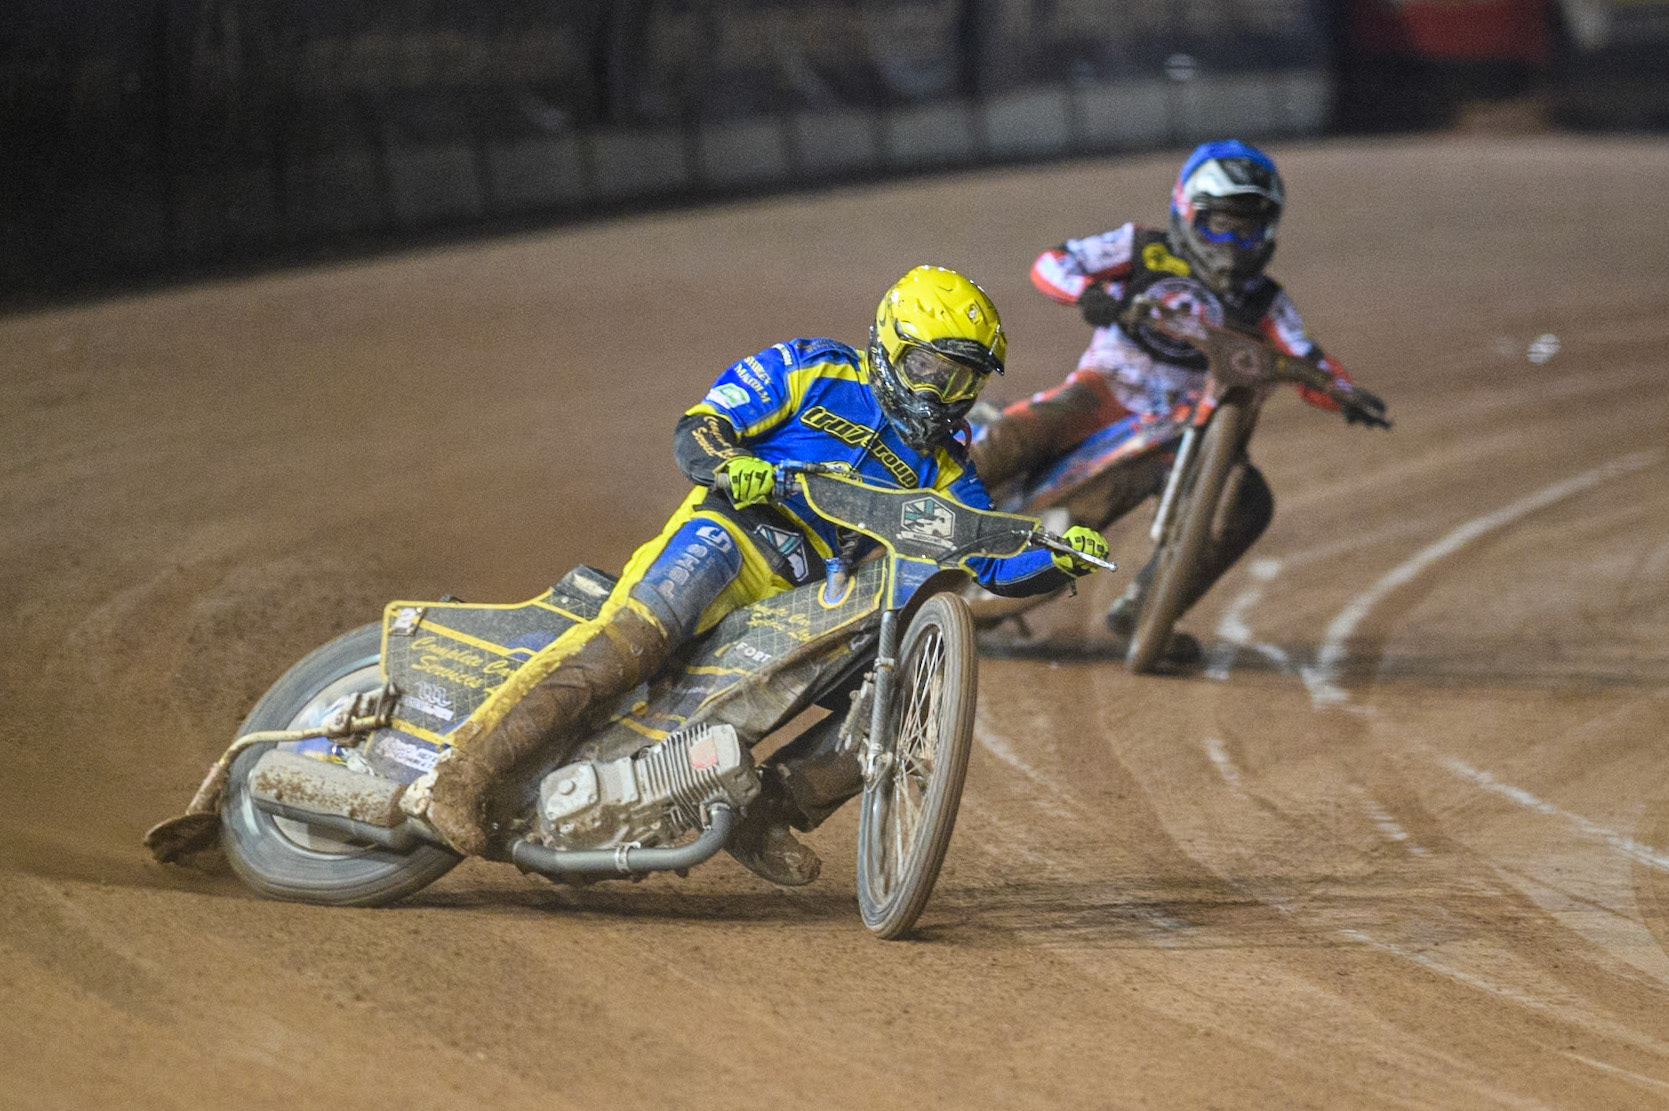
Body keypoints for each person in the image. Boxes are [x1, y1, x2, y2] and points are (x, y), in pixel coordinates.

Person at [408, 266, 1110, 884]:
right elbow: (701, 428)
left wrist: (1056, 556)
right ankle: (464, 771)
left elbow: (987, 555)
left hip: (806, 592)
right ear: (891, 347)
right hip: (725, 535)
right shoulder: (810, 367)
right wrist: (732, 465)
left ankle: (764, 812)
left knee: (885, 698)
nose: (944, 393)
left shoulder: (946, 465)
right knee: (633, 643)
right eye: (932, 369)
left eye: (963, 380)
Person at [968, 139, 1389, 655]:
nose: (1234, 242)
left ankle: (1147, 612)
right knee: (1019, 434)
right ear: (1187, 213)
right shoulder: (1141, 248)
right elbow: (1053, 262)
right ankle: (909, 498)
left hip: (1190, 430)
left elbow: (1306, 358)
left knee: (1249, 503)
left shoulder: (1266, 300)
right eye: (1220, 225)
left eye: (1248, 228)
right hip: (1107, 390)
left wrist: (1344, 393)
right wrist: (1090, 294)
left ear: (1269, 230)